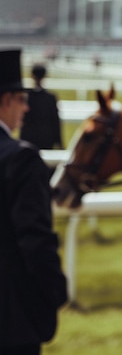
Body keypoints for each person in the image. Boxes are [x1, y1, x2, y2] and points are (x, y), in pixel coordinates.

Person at [0, 49, 67, 354]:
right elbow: (35, 238)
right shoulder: (22, 159)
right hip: (12, 317)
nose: (25, 109)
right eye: (21, 100)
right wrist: (55, 291)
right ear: (6, 101)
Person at [20, 64, 63, 151]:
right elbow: (55, 121)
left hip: (28, 138)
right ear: (44, 77)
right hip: (46, 139)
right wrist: (59, 142)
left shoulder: (26, 96)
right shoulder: (50, 97)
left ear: (32, 76)